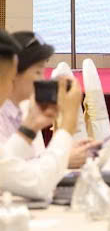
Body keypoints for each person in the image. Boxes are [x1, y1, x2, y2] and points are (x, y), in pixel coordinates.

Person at [0, 30, 85, 201]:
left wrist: (30, 128)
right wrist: (67, 125)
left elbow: (7, 164)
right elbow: (37, 184)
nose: (11, 86)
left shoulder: (26, 109)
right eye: (9, 78)